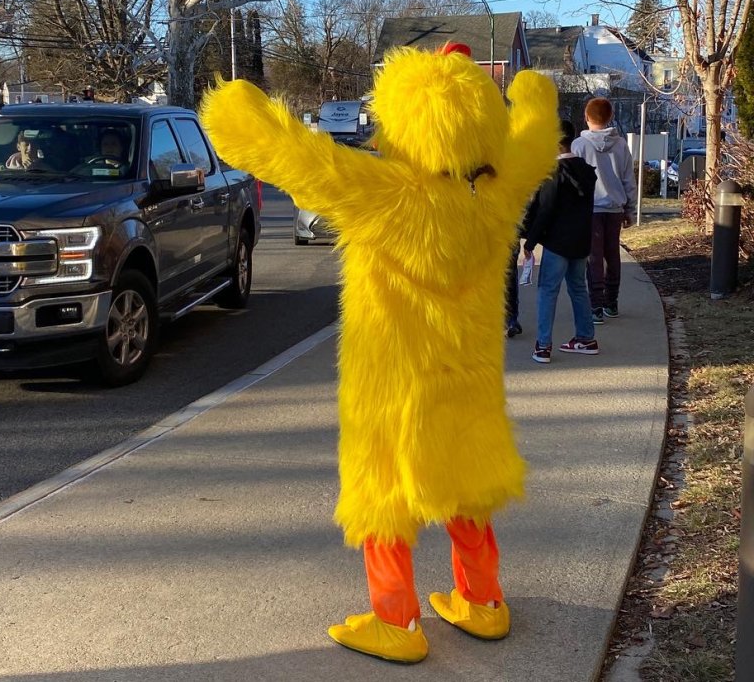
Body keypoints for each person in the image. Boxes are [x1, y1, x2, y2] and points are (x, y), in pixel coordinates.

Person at [200, 42, 560, 664]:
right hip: (468, 382)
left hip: (392, 384)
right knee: (468, 484)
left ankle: (396, 620)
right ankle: (483, 602)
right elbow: (533, 138)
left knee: (385, 496)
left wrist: (239, 110)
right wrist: (531, 96)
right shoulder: (496, 193)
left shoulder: (384, 192)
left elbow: (299, 160)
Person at [524, 119, 600, 364]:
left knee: (548, 291)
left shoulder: (552, 175)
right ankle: (586, 338)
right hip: (581, 242)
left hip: (557, 243)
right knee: (578, 289)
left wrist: (529, 243)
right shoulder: (587, 171)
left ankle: (543, 345)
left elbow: (544, 211)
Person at [571, 97, 637, 323]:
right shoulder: (620, 145)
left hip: (590, 209)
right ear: (610, 117)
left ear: (586, 117)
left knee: (594, 257)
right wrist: (630, 208)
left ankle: (595, 305)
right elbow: (629, 179)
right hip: (615, 208)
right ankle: (612, 301)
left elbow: (574, 180)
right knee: (612, 255)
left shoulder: (579, 146)